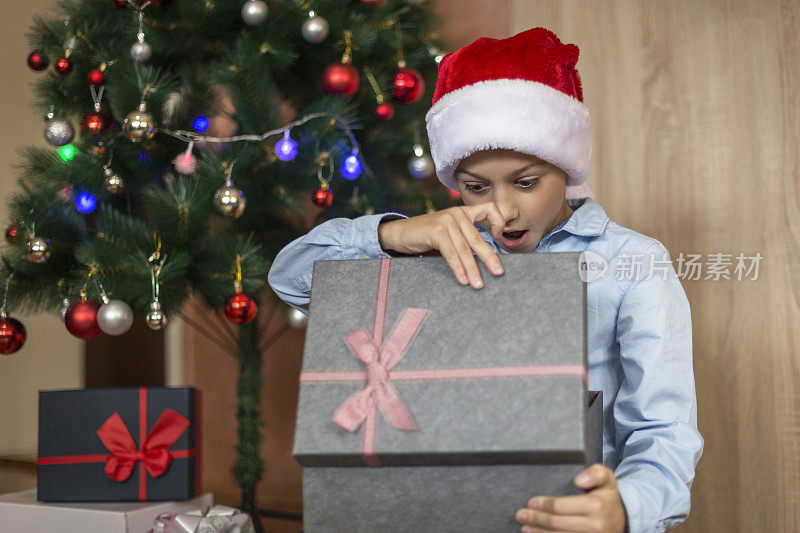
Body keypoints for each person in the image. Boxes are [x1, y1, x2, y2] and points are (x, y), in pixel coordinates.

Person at [268, 27, 703, 533]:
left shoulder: (635, 264)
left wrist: (627, 507)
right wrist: (395, 234)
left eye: (526, 182)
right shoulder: (441, 247)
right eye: (475, 188)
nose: (503, 209)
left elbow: (664, 432)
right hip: (442, 508)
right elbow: (291, 278)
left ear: (565, 166)